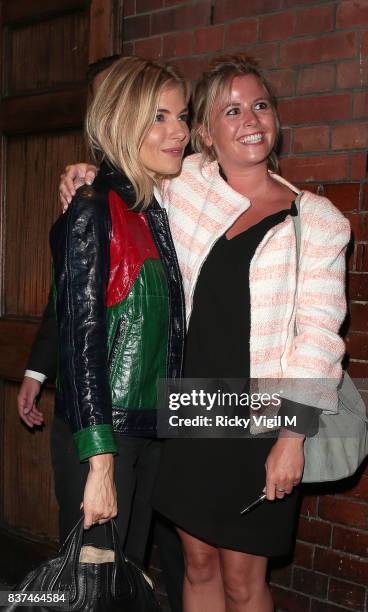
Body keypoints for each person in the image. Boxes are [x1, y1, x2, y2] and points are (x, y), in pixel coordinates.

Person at [59, 54, 350, 612]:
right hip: (191, 410)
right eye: (232, 109)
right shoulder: (183, 185)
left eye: (260, 105)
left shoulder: (317, 221)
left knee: (245, 582)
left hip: (261, 419)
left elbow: (318, 336)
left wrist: (292, 439)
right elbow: (127, 169)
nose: (250, 119)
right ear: (205, 134)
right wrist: (81, 172)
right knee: (195, 566)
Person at [18, 56, 189, 584]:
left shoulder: (151, 207)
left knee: (123, 583)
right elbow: (82, 338)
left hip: (145, 433)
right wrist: (100, 461)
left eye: (182, 116)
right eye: (159, 117)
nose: (179, 131)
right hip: (106, 436)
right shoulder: (94, 208)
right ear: (122, 120)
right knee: (91, 589)